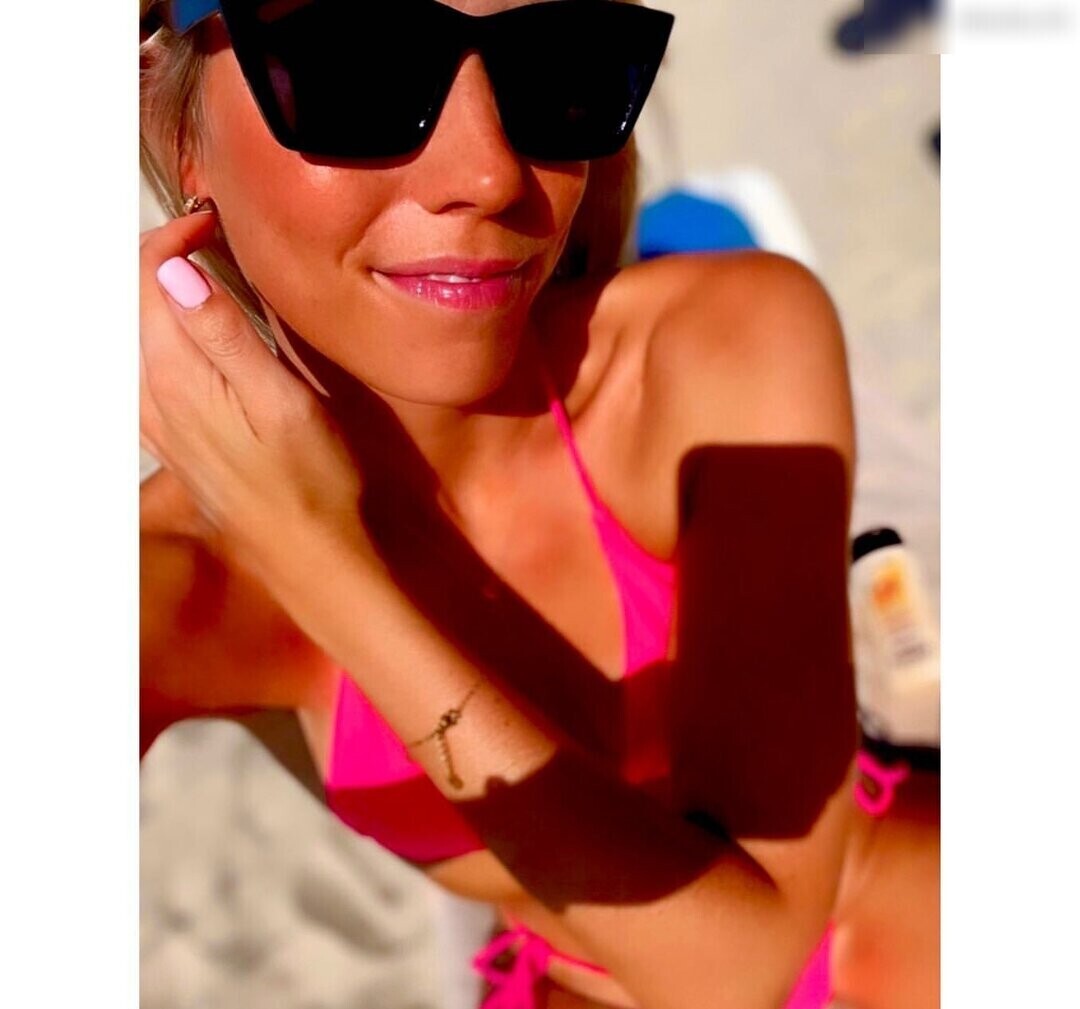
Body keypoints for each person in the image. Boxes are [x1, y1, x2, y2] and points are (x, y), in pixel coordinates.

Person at [139, 2, 874, 1006]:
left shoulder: (713, 348)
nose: (489, 175)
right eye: (357, 69)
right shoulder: (173, 578)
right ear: (179, 132)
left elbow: (749, 968)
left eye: (559, 61)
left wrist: (318, 559)